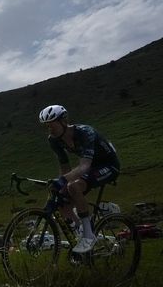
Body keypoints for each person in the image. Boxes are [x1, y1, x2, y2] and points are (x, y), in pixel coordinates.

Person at [38, 104, 120, 253]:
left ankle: (89, 235)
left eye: (52, 125)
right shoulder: (54, 140)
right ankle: (80, 230)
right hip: (89, 167)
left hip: (108, 165)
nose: (49, 129)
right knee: (61, 199)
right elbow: (64, 167)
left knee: (73, 186)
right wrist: (59, 185)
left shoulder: (84, 132)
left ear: (63, 121)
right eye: (46, 126)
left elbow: (84, 166)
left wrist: (64, 181)